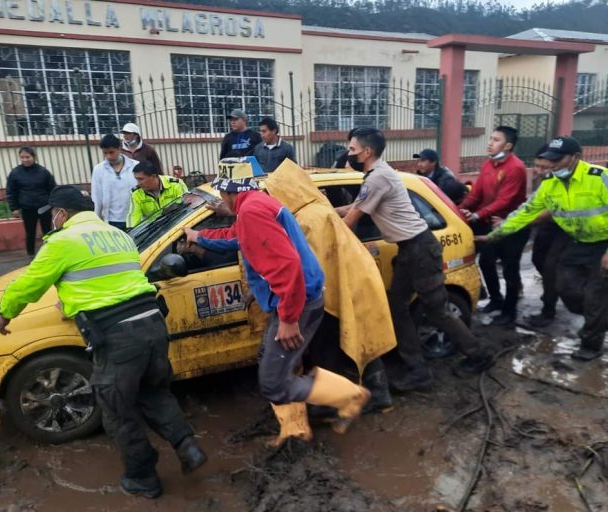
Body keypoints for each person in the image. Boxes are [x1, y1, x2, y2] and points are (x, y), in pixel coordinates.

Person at [0, 185, 207, 498]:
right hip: (153, 325)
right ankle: (188, 447)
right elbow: (108, 281)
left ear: (62, 214)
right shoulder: (119, 236)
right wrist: (72, 300)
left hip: (117, 337)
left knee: (117, 410)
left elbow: (27, 285)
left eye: (53, 214)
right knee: (154, 393)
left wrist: (4, 313)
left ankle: (143, 478)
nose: (52, 220)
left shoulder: (62, 241)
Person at [183, 157, 370, 444]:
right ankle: (295, 429)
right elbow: (238, 237)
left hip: (297, 303)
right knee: (275, 368)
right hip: (296, 299)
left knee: (272, 382)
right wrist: (200, 236)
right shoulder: (257, 203)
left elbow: (287, 266)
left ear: (227, 192)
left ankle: (351, 397)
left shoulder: (252, 211)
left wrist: (288, 319)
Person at [337, 128, 492, 390]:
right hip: (409, 251)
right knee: (397, 306)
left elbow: (351, 220)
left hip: (420, 249)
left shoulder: (377, 178)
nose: (348, 154)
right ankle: (416, 369)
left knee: (437, 310)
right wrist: (321, 208)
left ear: (367, 152)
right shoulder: (377, 175)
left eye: (351, 150)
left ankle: (478, 354)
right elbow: (355, 208)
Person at [478, 136, 608, 361]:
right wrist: (496, 235)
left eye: (557, 160)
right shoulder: (550, 185)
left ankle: (591, 346)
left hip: (607, 245)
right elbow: (526, 211)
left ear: (576, 158)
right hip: (578, 244)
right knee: (565, 289)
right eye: (548, 161)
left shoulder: (600, 177)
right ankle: (603, 318)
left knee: (595, 297)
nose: (552, 166)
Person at [264, 159, 396, 415]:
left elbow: (304, 266)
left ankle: (333, 404)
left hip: (343, 286)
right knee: (360, 337)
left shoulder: (307, 219)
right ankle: (378, 396)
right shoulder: (316, 208)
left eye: (274, 192)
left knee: (328, 346)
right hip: (356, 280)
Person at [460, 126, 528, 326]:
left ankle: (510, 311)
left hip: (512, 226)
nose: (490, 142)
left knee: (510, 269)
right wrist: (458, 210)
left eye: (496, 139)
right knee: (486, 262)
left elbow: (504, 201)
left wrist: (477, 214)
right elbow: (476, 194)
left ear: (508, 145)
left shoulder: (516, 167)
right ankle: (496, 299)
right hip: (492, 224)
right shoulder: (489, 164)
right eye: (490, 138)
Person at [526, 145, 571, 328]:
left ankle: (548, 310)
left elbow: (549, 210)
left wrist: (520, 222)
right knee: (538, 260)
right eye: (537, 165)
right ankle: (553, 288)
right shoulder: (539, 178)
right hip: (543, 228)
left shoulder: (559, 180)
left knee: (550, 266)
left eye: (544, 167)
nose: (539, 170)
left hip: (562, 229)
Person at [5, 146, 56, 258]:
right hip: (27, 208)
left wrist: (53, 205)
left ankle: (50, 254)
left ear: (33, 157)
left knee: (47, 232)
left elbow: (52, 189)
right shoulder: (15, 173)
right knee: (30, 233)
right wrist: (14, 208)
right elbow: (11, 191)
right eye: (22, 157)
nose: (25, 160)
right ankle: (31, 255)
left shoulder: (43, 172)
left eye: (27, 157)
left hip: (44, 207)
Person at [91, 134, 138, 231]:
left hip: (134, 218)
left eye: (111, 152)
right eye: (105, 153)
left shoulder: (135, 166)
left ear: (119, 148)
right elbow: (96, 197)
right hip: (111, 221)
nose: (108, 156)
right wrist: (96, 220)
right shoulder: (99, 170)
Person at [127, 162, 189, 228]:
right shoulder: (136, 193)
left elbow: (188, 207)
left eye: (141, 179)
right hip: (155, 231)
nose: (138, 183)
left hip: (180, 225)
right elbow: (133, 216)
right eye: (136, 179)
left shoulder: (176, 184)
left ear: (153, 176)